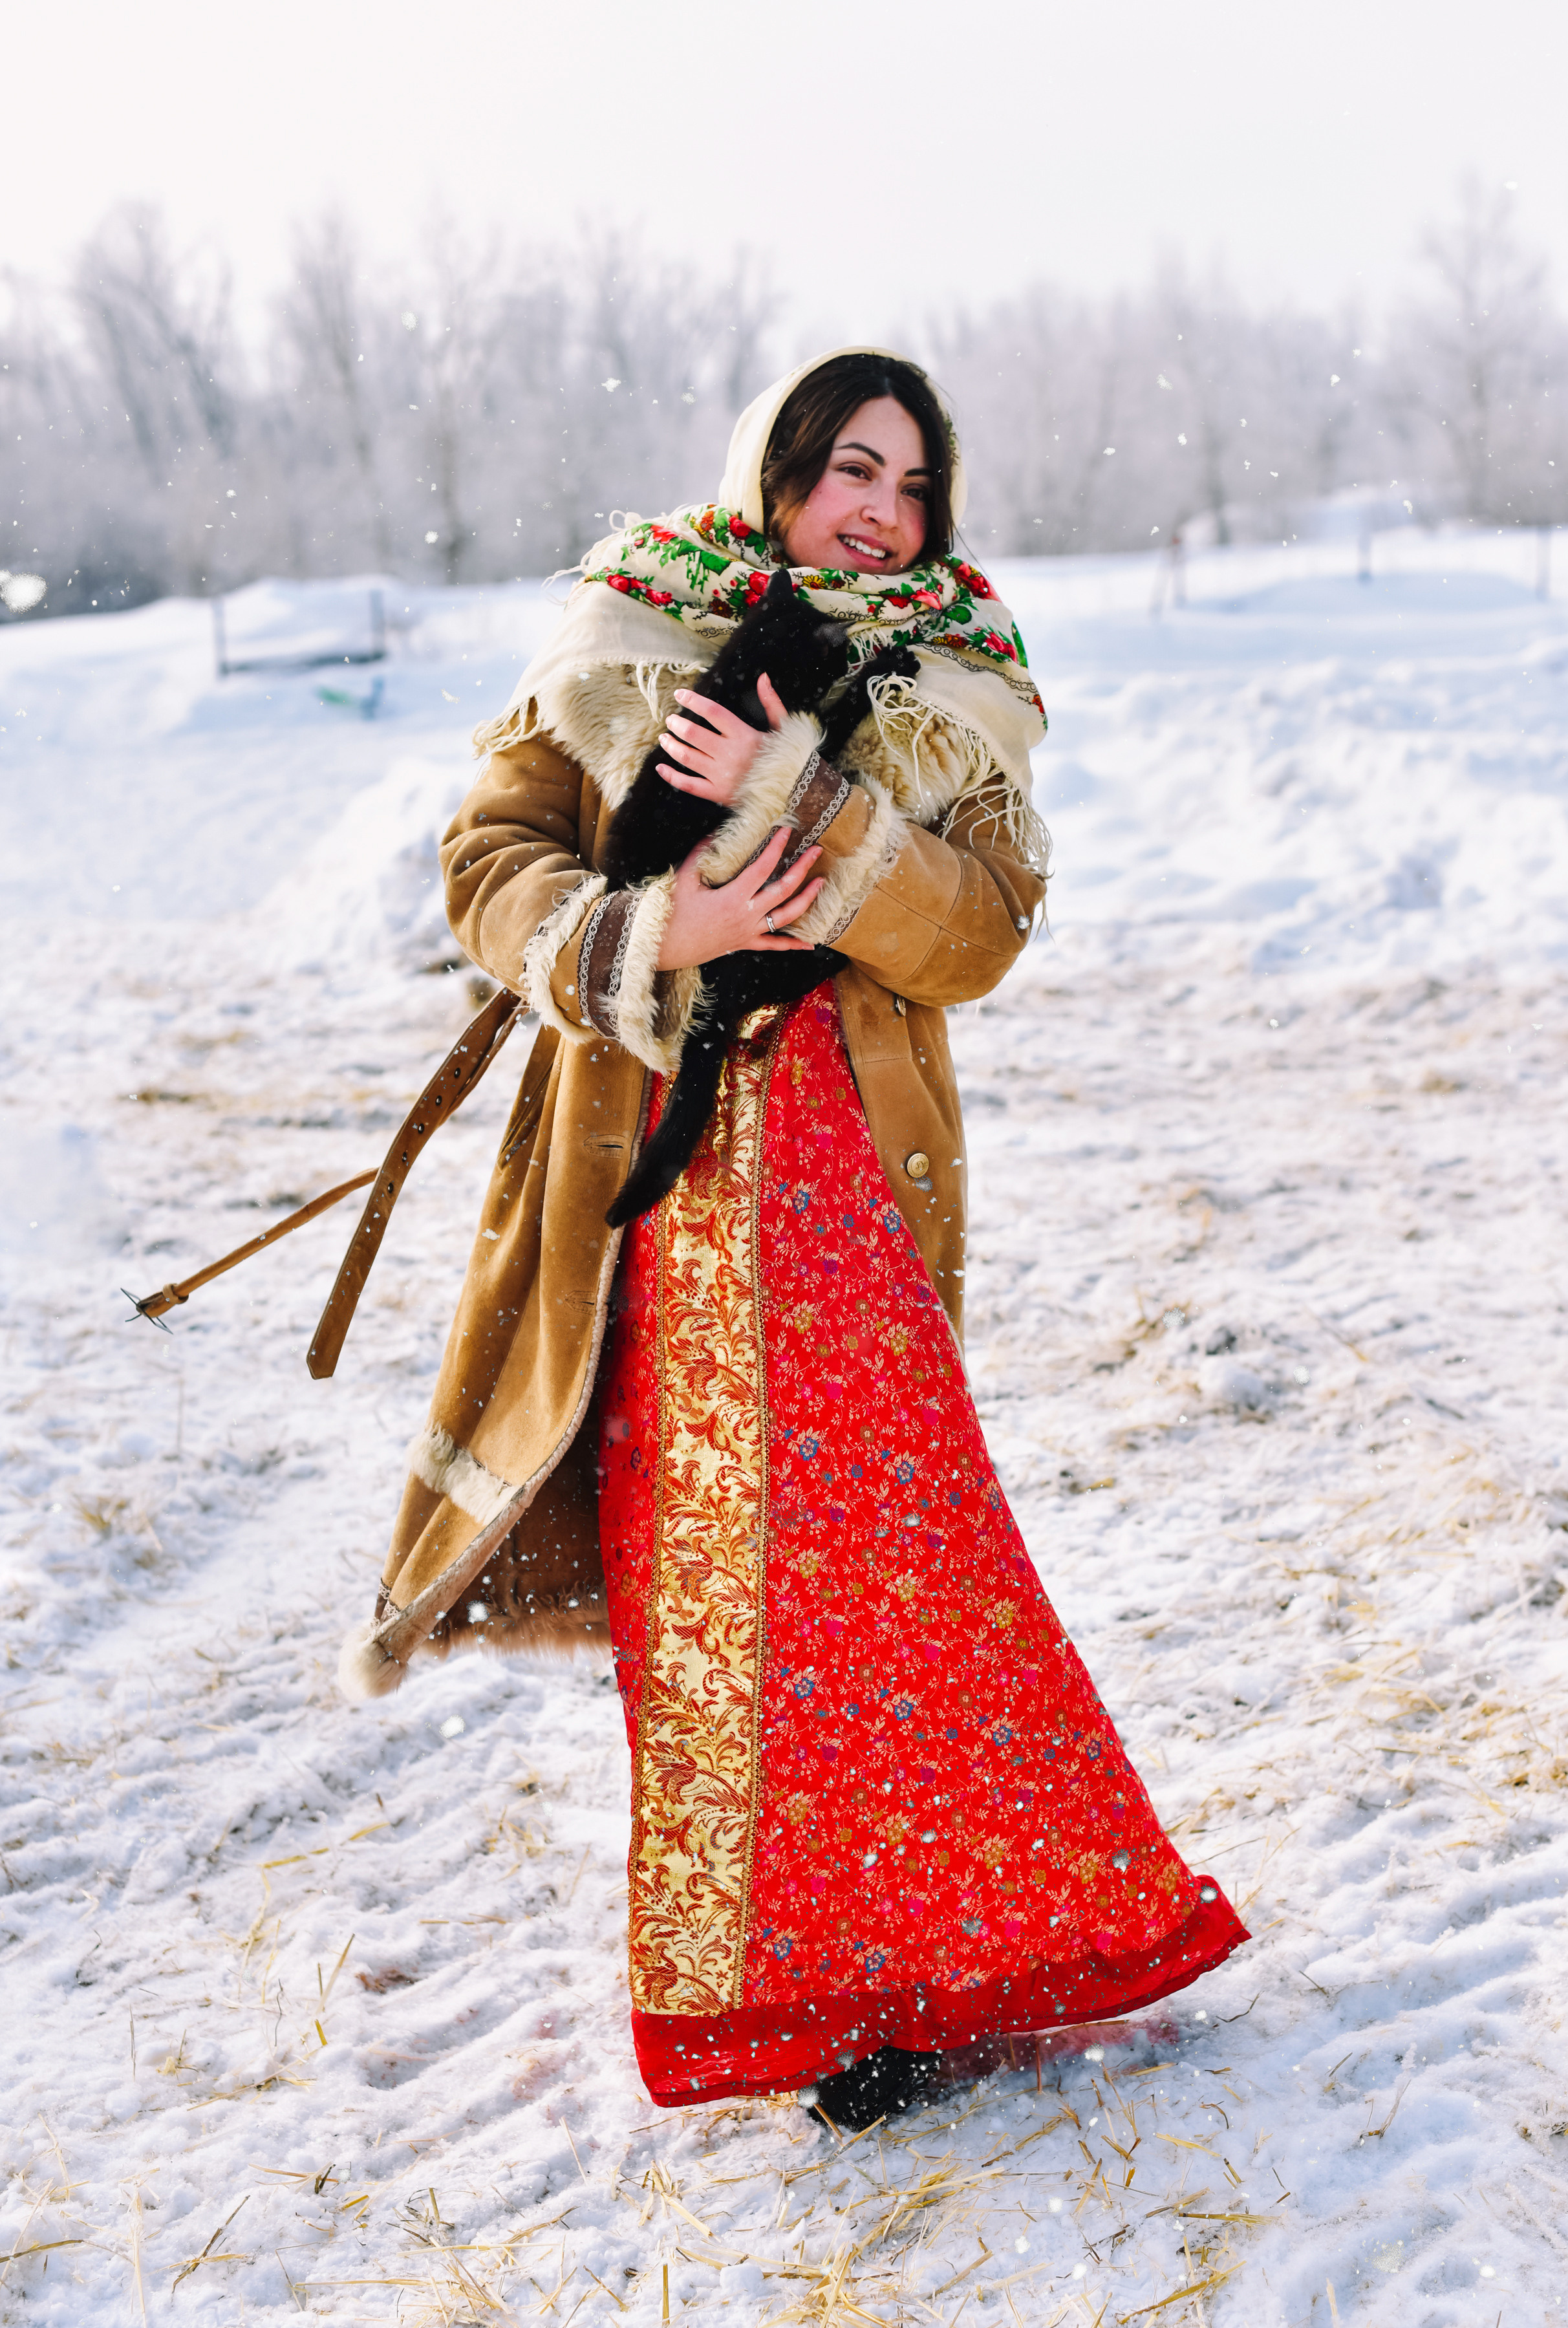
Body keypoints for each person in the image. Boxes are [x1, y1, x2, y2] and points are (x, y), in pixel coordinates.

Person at [338, 347, 1247, 2124]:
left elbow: (976, 933)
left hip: (844, 1167)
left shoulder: (951, 685)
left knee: (893, 1580)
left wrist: (819, 811)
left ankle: (940, 1969)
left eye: (911, 486)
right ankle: (777, 1990)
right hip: (653, 1184)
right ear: (775, 467)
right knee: (706, 1588)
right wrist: (649, 923)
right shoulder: (623, 635)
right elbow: (485, 861)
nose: (877, 510)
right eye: (847, 466)